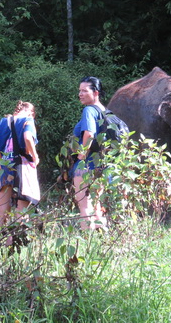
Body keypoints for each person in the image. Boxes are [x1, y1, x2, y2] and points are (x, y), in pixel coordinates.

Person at [0, 101, 40, 239]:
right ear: (31, 113)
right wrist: (35, 156)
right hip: (22, 169)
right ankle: (15, 247)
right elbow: (27, 138)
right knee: (21, 212)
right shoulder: (28, 121)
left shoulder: (3, 122)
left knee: (2, 212)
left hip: (4, 170)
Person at [70, 76, 108, 231]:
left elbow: (90, 134)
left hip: (86, 165)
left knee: (84, 205)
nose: (80, 94)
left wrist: (81, 155)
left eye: (84, 91)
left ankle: (87, 242)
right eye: (79, 91)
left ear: (96, 93)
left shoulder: (89, 110)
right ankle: (103, 239)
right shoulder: (105, 111)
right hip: (102, 164)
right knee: (97, 205)